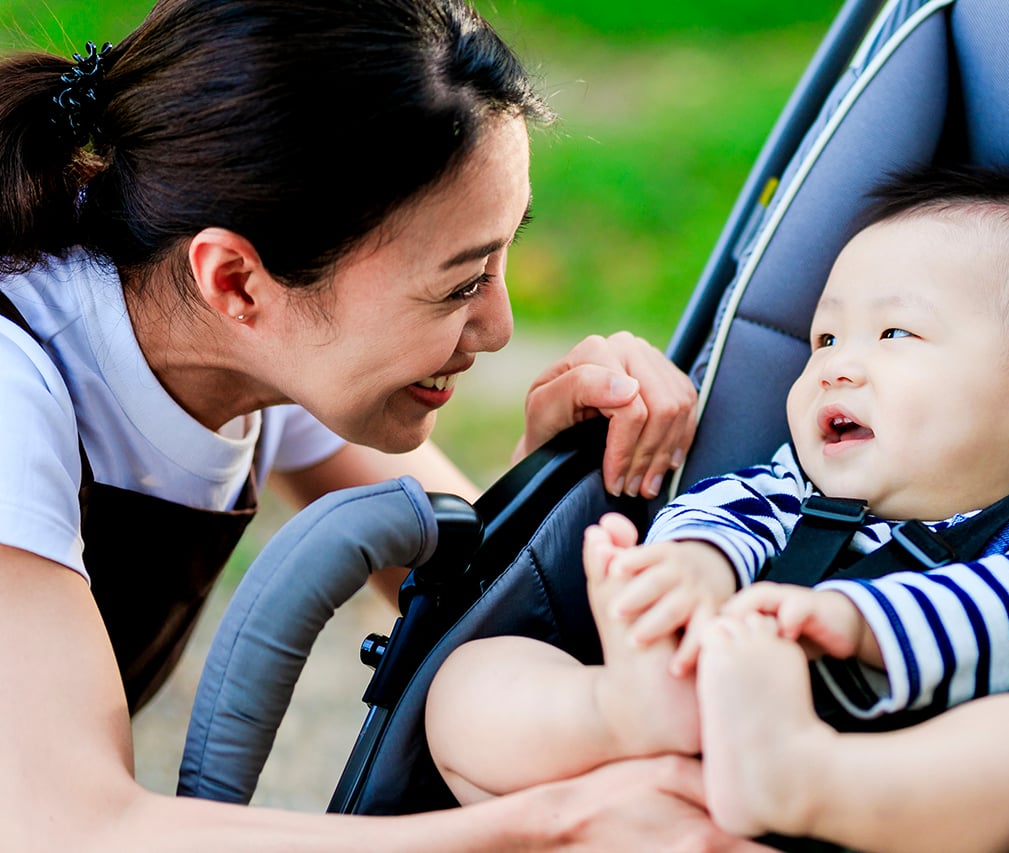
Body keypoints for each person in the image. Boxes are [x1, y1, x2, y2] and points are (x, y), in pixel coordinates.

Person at [0, 2, 773, 850]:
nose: (501, 328)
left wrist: (548, 478)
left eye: (502, 256)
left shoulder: (228, 330)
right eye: (459, 284)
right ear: (238, 283)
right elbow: (70, 824)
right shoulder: (17, 386)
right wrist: (558, 826)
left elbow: (468, 611)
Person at [424, 167, 1009, 852]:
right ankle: (623, 712)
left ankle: (808, 775)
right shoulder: (800, 489)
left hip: (889, 811)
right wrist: (691, 569)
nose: (835, 363)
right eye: (825, 337)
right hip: (678, 792)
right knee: (472, 677)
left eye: (896, 334)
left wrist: (859, 622)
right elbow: (725, 511)